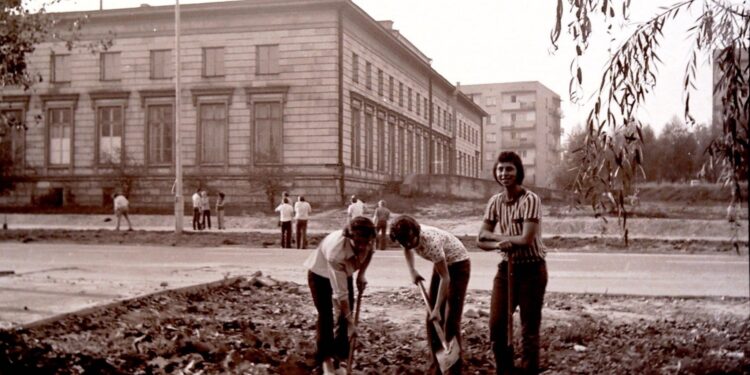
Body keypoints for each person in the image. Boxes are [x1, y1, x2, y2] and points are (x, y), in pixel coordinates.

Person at [476, 151, 548, 375]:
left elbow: (525, 240)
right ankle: (505, 371)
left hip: (532, 269)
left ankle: (529, 371)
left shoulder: (530, 200)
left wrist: (497, 238)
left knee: (529, 329)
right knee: (497, 325)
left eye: (509, 169)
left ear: (518, 172)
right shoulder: (495, 201)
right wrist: (500, 245)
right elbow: (480, 239)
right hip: (506, 269)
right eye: (500, 169)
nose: (504, 173)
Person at [390, 215, 470, 374]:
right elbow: (407, 249)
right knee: (432, 320)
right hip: (441, 266)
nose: (407, 245)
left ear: (416, 233)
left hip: (458, 266)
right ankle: (438, 367)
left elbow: (446, 278)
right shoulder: (405, 235)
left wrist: (437, 308)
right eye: (403, 242)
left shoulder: (431, 243)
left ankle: (455, 369)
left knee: (450, 320)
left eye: (410, 241)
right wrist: (412, 270)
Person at [304, 217, 377, 375]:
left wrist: (361, 275)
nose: (362, 247)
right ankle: (325, 361)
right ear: (349, 237)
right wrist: (351, 323)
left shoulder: (369, 239)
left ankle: (340, 358)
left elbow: (370, 252)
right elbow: (340, 294)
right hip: (319, 274)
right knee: (326, 315)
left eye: (366, 243)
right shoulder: (336, 253)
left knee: (345, 316)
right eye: (358, 243)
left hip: (345, 271)